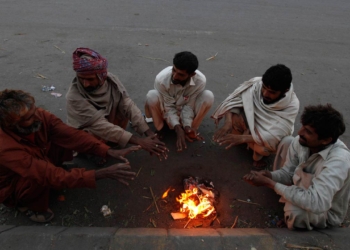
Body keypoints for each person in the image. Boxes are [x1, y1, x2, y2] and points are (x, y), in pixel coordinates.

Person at [0, 89, 142, 223]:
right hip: (17, 183)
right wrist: (101, 174)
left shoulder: (40, 116)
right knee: (40, 178)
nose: (37, 116)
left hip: (41, 162)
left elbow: (71, 135)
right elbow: (48, 175)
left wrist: (108, 151)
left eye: (34, 110)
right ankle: (28, 206)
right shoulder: (5, 147)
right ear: (12, 125)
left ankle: (61, 172)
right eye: (29, 117)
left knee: (64, 139)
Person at [243, 104, 350, 230]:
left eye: (308, 132)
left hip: (324, 212)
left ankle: (295, 216)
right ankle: (289, 204)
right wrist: (270, 176)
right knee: (287, 141)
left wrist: (270, 184)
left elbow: (318, 204)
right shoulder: (301, 142)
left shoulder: (338, 161)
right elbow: (289, 173)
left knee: (295, 213)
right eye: (303, 127)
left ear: (325, 140)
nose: (300, 132)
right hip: (303, 192)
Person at [66, 48, 168, 161]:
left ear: (101, 77)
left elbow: (127, 104)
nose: (85, 84)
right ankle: (95, 152)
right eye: (81, 79)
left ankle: (112, 141)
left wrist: (148, 132)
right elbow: (99, 125)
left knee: (123, 108)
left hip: (108, 122)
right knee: (88, 135)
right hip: (91, 128)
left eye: (90, 79)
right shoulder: (73, 97)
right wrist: (139, 141)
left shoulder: (111, 80)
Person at [212, 64, 299, 168]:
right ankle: (245, 140)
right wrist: (228, 123)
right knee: (234, 114)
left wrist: (243, 138)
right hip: (248, 125)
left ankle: (254, 151)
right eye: (264, 88)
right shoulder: (256, 84)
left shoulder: (292, 105)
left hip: (265, 135)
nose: (265, 94)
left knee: (263, 149)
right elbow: (233, 101)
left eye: (272, 92)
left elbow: (275, 136)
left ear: (285, 90)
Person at [145, 51, 214, 152]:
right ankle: (161, 128)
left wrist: (186, 126)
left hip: (184, 109)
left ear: (191, 74)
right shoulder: (161, 79)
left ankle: (191, 129)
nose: (175, 76)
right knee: (152, 96)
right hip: (166, 110)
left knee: (208, 96)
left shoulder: (200, 81)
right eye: (174, 70)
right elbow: (168, 107)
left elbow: (189, 106)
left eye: (181, 74)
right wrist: (177, 128)